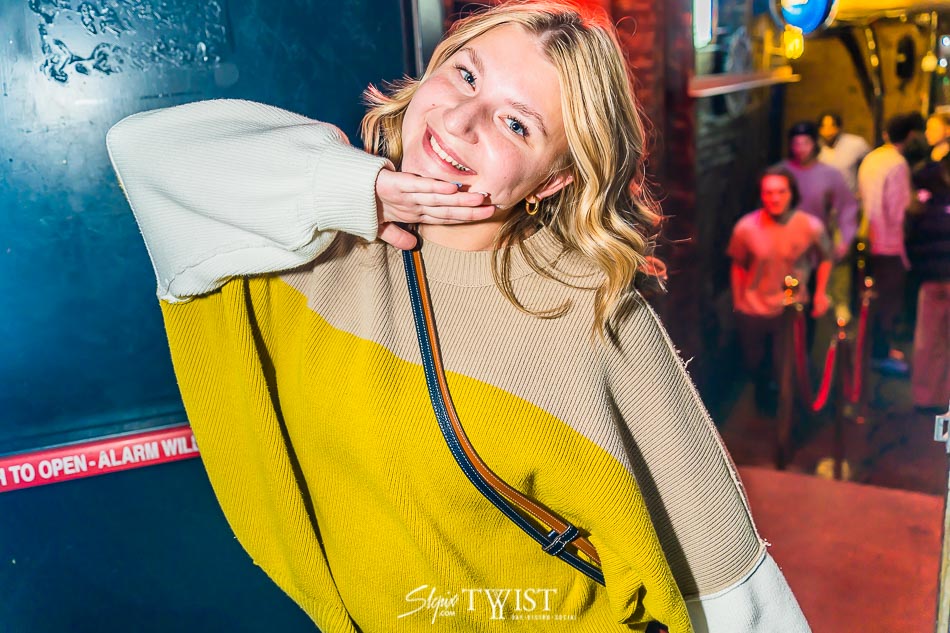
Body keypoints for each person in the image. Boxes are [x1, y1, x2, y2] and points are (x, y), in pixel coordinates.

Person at [106, 2, 809, 631]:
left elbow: (729, 580)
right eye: (466, 76)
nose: (460, 121)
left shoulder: (593, 313)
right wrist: (356, 191)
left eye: (516, 123)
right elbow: (140, 151)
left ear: (554, 180)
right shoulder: (308, 231)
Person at [728, 167, 832, 415]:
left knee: (789, 367)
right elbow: (738, 264)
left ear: (791, 193)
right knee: (756, 364)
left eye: (781, 192)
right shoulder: (746, 228)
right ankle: (765, 402)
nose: (775, 198)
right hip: (754, 308)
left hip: (791, 308)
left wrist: (820, 293)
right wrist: (738, 300)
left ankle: (790, 416)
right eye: (768, 192)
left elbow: (826, 257)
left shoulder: (810, 225)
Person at [857, 112, 924, 372]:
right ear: (911, 135)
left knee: (870, 301)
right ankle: (880, 354)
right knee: (887, 303)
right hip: (889, 243)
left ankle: (872, 351)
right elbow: (899, 210)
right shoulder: (897, 164)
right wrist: (918, 204)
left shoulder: (873, 158)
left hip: (868, 237)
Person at [780, 121, 858, 322]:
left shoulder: (829, 175)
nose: (800, 149)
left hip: (814, 252)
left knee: (809, 309)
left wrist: (845, 239)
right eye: (796, 143)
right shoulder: (781, 173)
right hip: (782, 251)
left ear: (814, 144)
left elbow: (847, 206)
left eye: (805, 143)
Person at [908, 122, 950, 412]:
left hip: (932, 276)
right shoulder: (931, 199)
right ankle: (930, 396)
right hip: (934, 277)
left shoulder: (928, 200)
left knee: (929, 340)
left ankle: (927, 396)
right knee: (930, 339)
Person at [817, 111, 870, 195]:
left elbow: (870, 165)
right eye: (824, 127)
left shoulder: (855, 144)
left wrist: (863, 190)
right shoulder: (815, 148)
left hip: (850, 198)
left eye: (832, 126)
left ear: (839, 128)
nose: (828, 131)